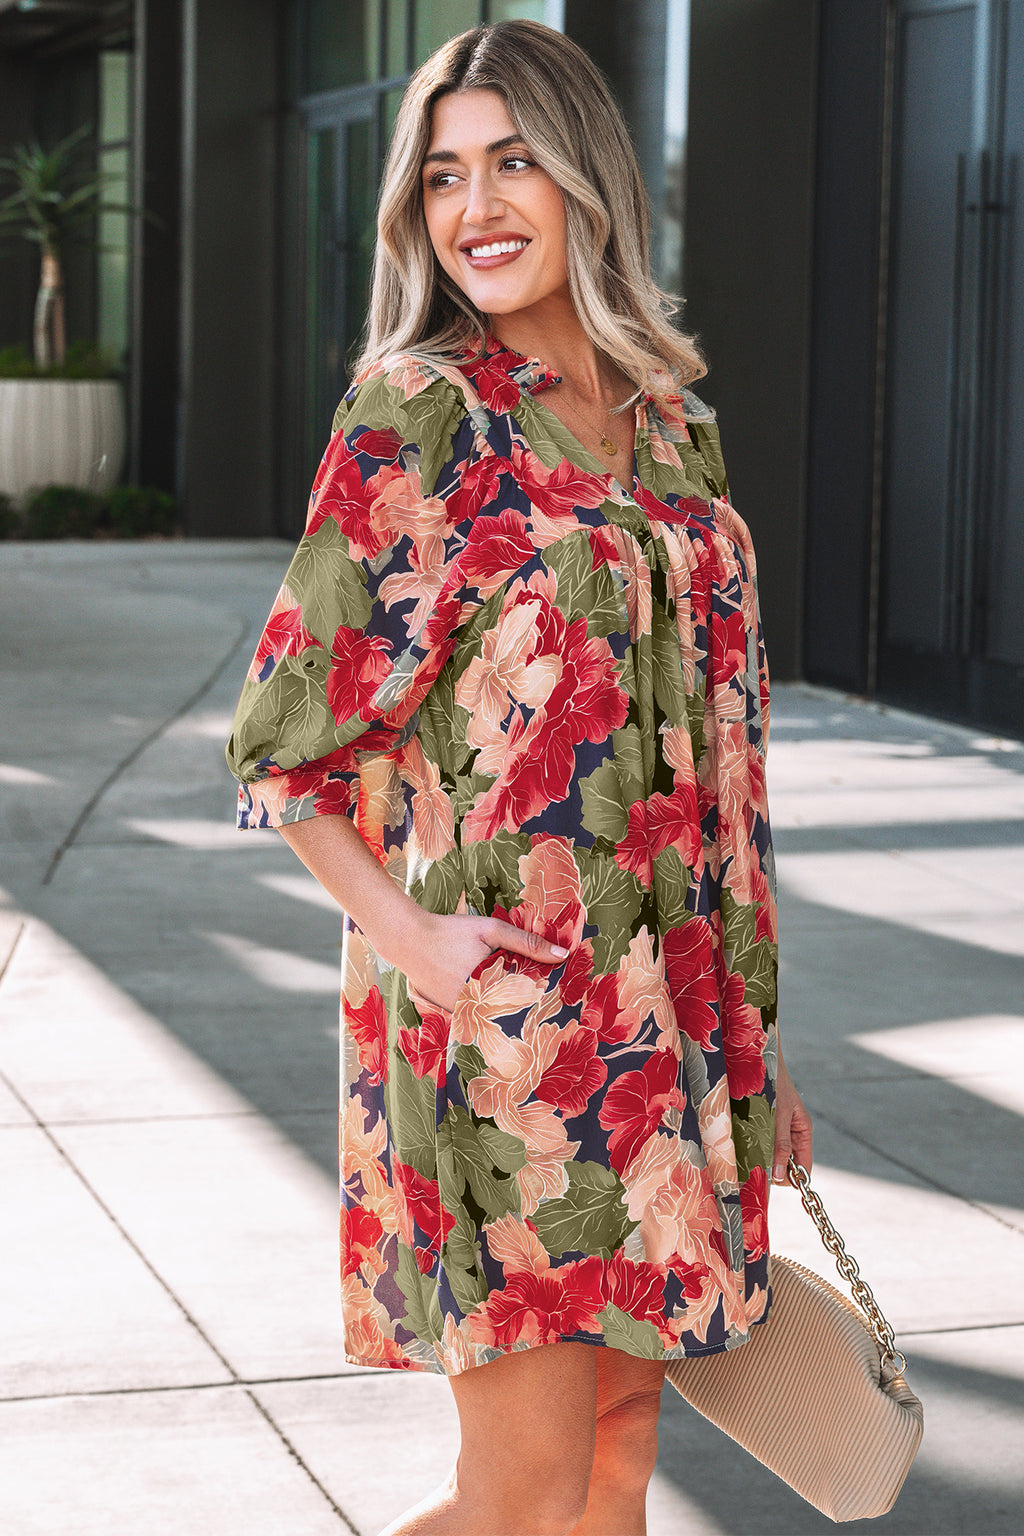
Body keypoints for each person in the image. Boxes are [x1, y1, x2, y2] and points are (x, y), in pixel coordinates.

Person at [226, 19, 812, 1536]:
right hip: (511, 1028)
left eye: (513, 164)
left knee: (616, 1467)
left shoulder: (671, 423)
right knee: (527, 1494)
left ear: (587, 179)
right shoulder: (420, 413)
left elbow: (715, 763)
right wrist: (415, 941)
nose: (476, 207)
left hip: (678, 1027)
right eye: (442, 177)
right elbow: (287, 746)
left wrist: (756, 1049)